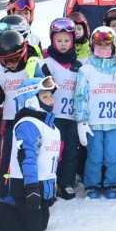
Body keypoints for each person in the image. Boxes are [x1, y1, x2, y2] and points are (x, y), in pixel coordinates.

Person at [0, 77, 59, 231]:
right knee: (31, 229)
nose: (51, 100)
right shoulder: (28, 124)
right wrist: (32, 188)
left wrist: (49, 190)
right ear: (30, 101)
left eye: (51, 96)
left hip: (41, 184)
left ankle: (8, 205)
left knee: (42, 224)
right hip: (26, 184)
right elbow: (28, 158)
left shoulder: (49, 125)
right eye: (45, 96)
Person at [75, 26, 116, 199]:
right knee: (95, 154)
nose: (103, 49)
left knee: (113, 154)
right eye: (99, 45)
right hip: (94, 121)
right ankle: (92, 185)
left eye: (107, 46)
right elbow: (81, 96)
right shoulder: (86, 70)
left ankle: (110, 184)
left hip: (114, 121)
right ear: (92, 46)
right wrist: (82, 121)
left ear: (113, 47)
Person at [0, 29, 34, 194]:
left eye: (13, 59)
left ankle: (33, 188)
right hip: (10, 120)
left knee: (30, 155)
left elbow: (48, 89)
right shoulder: (1, 71)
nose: (10, 63)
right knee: (7, 156)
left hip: (31, 120)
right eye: (5, 61)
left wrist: (37, 74)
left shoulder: (32, 65)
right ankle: (5, 190)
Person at [37, 18, 83, 198]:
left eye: (67, 40)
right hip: (53, 116)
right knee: (55, 149)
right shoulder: (47, 63)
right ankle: (49, 180)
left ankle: (66, 182)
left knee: (72, 150)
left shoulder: (78, 65)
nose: (63, 44)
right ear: (52, 41)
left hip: (72, 116)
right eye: (59, 40)